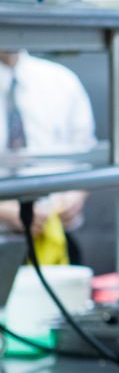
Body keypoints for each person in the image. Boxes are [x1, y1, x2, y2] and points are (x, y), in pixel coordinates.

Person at [0, 51, 97, 264]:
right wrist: (4, 210)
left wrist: (74, 197)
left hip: (57, 243)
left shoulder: (61, 81)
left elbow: (89, 160)